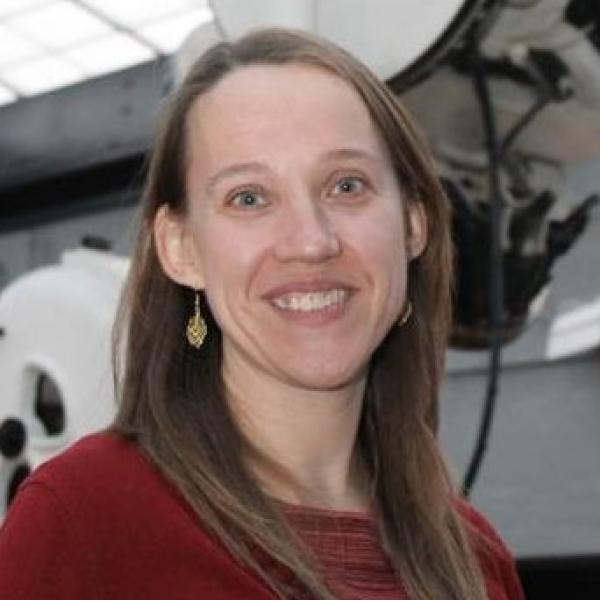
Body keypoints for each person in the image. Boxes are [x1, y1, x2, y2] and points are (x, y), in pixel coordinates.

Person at [0, 28, 525, 600]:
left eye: (346, 185)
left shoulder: (477, 559)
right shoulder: (83, 520)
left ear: (413, 223)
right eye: (248, 198)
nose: (310, 241)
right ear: (182, 249)